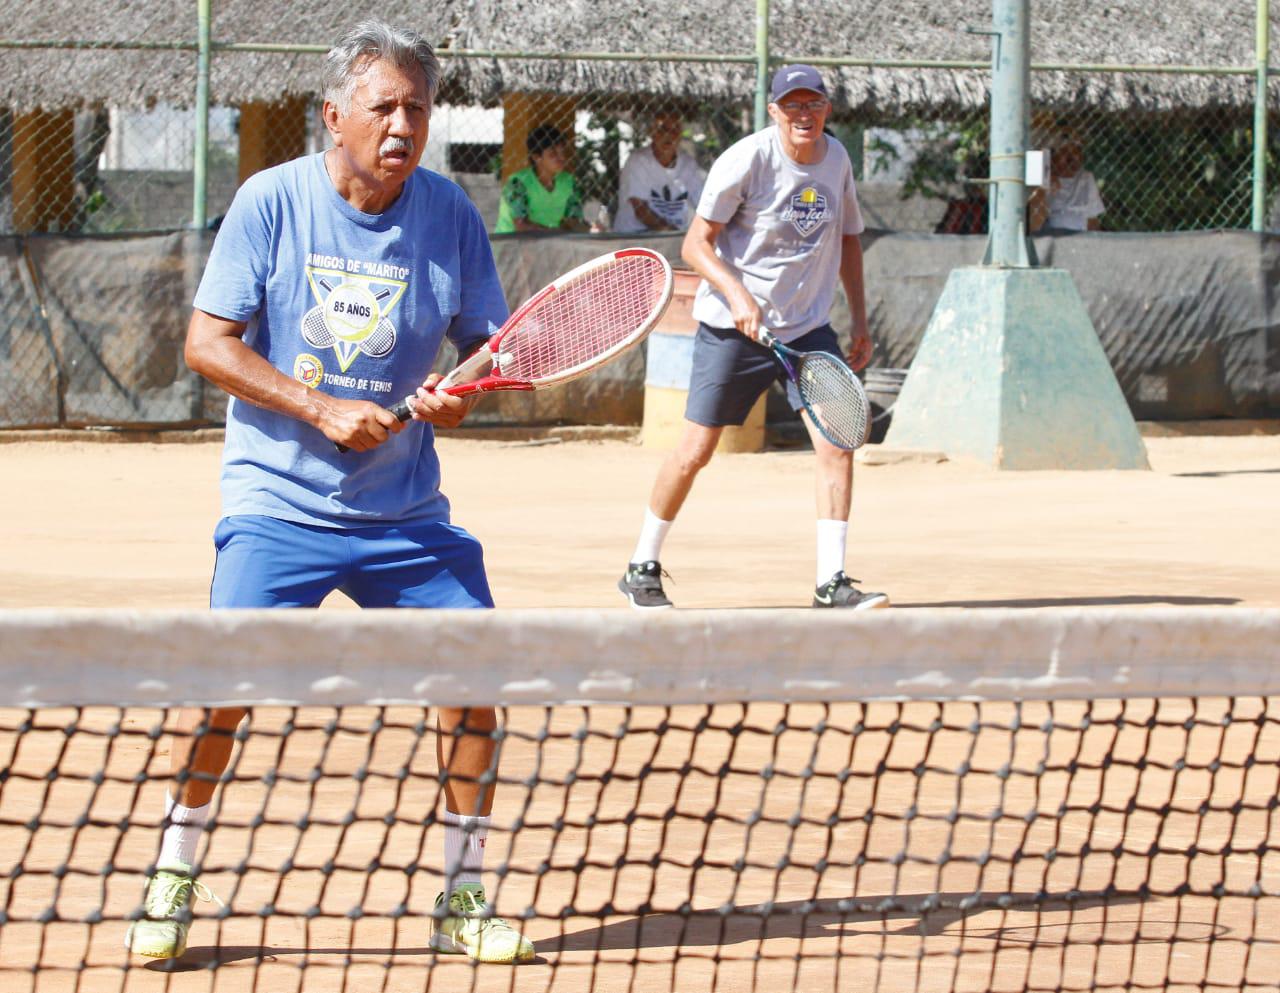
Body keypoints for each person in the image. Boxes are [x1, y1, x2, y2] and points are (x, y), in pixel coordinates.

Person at [123, 20, 534, 965]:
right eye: (383, 106)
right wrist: (321, 408)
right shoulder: (271, 201)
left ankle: (463, 895)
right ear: (333, 115)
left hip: (406, 516)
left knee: (476, 683)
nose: (402, 126)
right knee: (220, 689)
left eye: (418, 110)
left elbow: (488, 354)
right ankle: (174, 872)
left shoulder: (450, 214)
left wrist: (458, 393)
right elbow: (208, 343)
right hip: (278, 503)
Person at [617, 64, 889, 612]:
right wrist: (737, 297)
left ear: (827, 110)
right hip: (731, 331)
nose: (803, 114)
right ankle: (641, 565)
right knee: (695, 450)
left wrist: (858, 320)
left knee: (836, 446)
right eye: (793, 105)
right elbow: (696, 244)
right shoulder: (746, 159)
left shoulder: (836, 160)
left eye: (813, 104)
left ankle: (830, 582)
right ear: (774, 111)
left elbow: (851, 240)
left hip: (808, 328)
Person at [612, 109, 706, 234]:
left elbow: (702, 203)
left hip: (676, 233)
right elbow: (641, 210)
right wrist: (670, 232)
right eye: (663, 129)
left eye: (675, 130)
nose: (669, 135)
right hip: (636, 235)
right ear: (652, 132)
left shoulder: (688, 163)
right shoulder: (638, 161)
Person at [494, 123, 589, 233]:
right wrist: (555, 234)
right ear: (536, 157)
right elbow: (521, 226)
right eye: (553, 154)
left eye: (562, 152)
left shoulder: (569, 182)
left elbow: (574, 220)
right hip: (511, 244)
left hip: (550, 243)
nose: (561, 157)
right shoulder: (518, 183)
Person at [1029, 131, 1105, 232]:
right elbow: (1033, 221)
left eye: (1077, 152)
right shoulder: (1039, 176)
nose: (1074, 159)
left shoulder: (1086, 178)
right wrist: (1044, 184)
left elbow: (1092, 219)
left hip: (1080, 236)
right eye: (1066, 154)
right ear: (1052, 157)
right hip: (1049, 234)